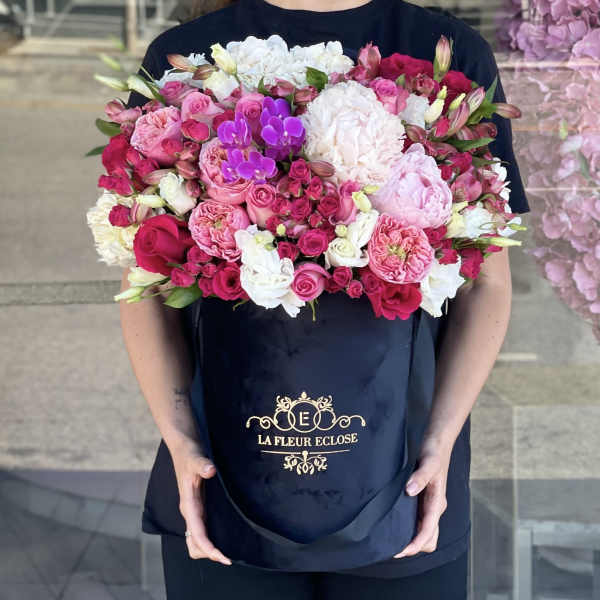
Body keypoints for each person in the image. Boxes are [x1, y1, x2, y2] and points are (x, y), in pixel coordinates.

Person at [119, 1, 531, 598]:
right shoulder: (188, 58)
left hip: (405, 479)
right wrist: (180, 439)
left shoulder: (447, 51)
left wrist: (440, 440)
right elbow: (145, 284)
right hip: (226, 476)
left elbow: (488, 283)